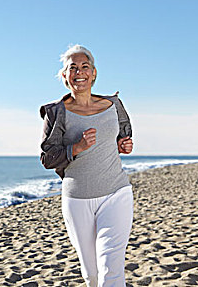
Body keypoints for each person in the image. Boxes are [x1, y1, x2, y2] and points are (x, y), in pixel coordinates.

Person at [39, 44, 134, 286]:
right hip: (77, 198)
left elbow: (123, 136)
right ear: (64, 76)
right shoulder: (56, 113)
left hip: (116, 192)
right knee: (91, 274)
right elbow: (47, 158)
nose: (79, 72)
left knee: (111, 268)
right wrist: (76, 148)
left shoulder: (114, 105)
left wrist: (124, 144)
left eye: (84, 67)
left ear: (93, 73)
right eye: (73, 68)